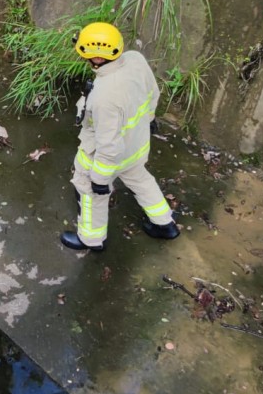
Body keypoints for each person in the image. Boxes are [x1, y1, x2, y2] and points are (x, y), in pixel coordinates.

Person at [60, 22, 179, 252]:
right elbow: (152, 92)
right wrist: (150, 117)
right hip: (136, 146)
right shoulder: (135, 59)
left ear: (95, 58)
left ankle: (91, 239)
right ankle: (165, 224)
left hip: (106, 158)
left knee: (90, 193)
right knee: (140, 178)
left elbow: (108, 145)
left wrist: (100, 180)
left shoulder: (105, 96)